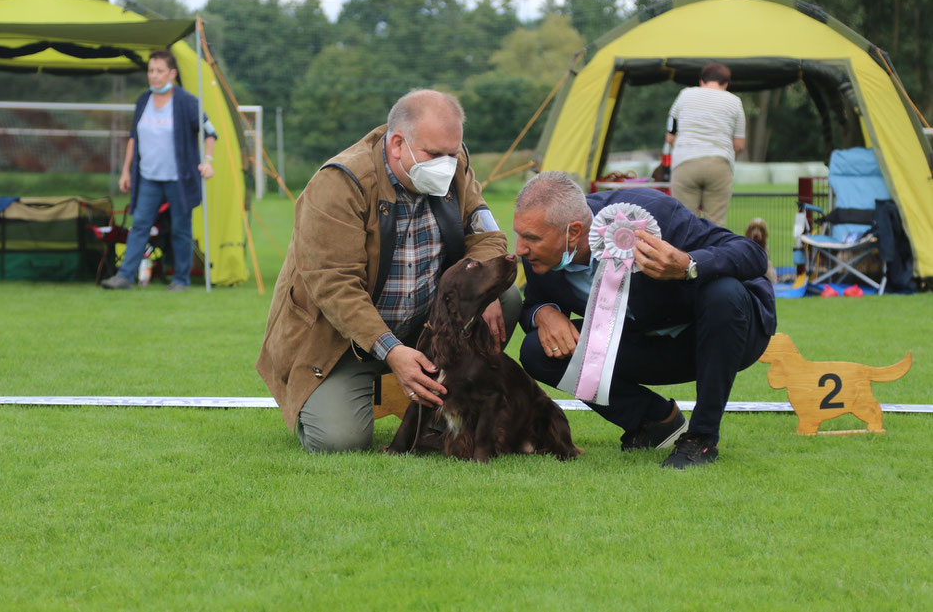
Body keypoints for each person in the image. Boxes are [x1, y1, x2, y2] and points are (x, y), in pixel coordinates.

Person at [256, 89, 521, 453]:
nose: (447, 165)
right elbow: (336, 288)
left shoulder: (456, 167)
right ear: (398, 144)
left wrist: (484, 293)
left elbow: (489, 236)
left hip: (423, 327)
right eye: (434, 155)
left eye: (453, 153)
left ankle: (449, 407)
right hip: (343, 340)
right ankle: (365, 394)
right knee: (339, 442)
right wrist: (393, 352)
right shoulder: (339, 183)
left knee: (505, 297)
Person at [513, 171, 775, 469]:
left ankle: (701, 439)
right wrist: (543, 312)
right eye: (519, 235)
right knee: (537, 350)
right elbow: (532, 302)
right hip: (646, 340)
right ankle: (655, 421)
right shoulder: (538, 253)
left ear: (573, 232)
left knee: (724, 293)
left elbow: (752, 255)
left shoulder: (650, 213)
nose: (520, 248)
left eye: (530, 238)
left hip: (727, 334)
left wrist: (687, 265)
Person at [100, 49, 216, 291]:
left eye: (159, 71)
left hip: (179, 179)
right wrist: (125, 171)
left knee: (181, 228)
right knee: (139, 225)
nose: (154, 76)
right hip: (148, 178)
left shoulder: (186, 102)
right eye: (151, 71)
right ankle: (125, 277)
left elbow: (210, 132)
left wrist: (207, 161)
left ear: (172, 73)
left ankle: (180, 280)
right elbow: (134, 137)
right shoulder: (143, 100)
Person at [665, 62, 746, 227]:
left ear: (701, 81)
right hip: (719, 164)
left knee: (684, 222)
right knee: (715, 224)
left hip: (685, 163)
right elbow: (739, 145)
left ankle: (684, 253)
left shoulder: (684, 95)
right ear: (725, 84)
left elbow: (670, 137)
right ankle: (711, 252)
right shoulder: (735, 101)